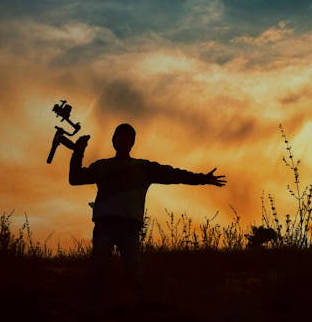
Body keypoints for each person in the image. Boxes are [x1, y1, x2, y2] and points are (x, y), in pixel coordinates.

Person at [69, 122, 225, 305]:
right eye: (120, 135)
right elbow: (75, 178)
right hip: (105, 226)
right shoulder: (102, 166)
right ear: (114, 141)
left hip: (129, 228)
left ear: (132, 142)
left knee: (134, 275)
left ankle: (135, 312)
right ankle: (95, 311)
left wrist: (202, 178)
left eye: (128, 136)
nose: (123, 139)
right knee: (98, 272)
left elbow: (173, 174)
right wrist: (78, 151)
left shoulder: (143, 168)